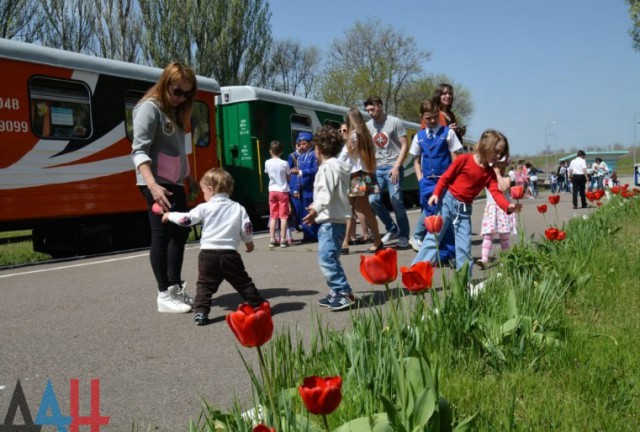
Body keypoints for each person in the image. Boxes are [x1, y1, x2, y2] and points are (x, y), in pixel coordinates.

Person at [131, 61, 199, 313]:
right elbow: (139, 151)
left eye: (187, 93)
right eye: (177, 91)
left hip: (173, 182)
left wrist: (188, 176)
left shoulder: (175, 111)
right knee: (162, 235)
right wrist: (153, 186)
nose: (181, 98)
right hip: (156, 183)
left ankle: (174, 288)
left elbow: (178, 151)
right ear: (165, 83)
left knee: (179, 234)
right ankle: (163, 294)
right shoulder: (149, 109)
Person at [162, 168, 266, 325]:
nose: (203, 195)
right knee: (243, 283)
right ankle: (258, 305)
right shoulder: (237, 207)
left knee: (204, 285)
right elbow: (246, 227)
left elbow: (187, 219)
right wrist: (249, 242)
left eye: (203, 191)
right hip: (230, 255)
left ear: (210, 189)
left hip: (207, 255)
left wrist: (169, 215)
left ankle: (201, 313)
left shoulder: (205, 207)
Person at [412, 130, 521, 277]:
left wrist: (508, 206)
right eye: (496, 151)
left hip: (464, 210)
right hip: (446, 203)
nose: (498, 156)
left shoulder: (489, 173)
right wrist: (436, 193)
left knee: (464, 246)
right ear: (484, 146)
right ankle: (415, 274)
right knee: (433, 239)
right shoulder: (464, 159)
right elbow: (445, 177)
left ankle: (463, 283)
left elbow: (496, 193)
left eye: (500, 153)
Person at [303, 126, 355, 311]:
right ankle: (336, 290)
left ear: (318, 149)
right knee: (331, 257)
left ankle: (343, 292)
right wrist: (317, 207)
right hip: (336, 219)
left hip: (330, 221)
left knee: (327, 258)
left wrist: (315, 209)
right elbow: (329, 194)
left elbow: (325, 194)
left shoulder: (326, 168)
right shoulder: (337, 166)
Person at [409, 99, 462, 262]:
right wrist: (421, 180)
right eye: (428, 118)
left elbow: (455, 159)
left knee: (445, 218)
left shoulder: (448, 133)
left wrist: (453, 181)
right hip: (427, 183)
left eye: (434, 117)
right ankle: (436, 255)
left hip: (444, 182)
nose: (432, 121)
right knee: (431, 219)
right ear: (422, 117)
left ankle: (451, 253)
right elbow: (416, 161)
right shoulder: (419, 137)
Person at [364, 96, 411, 249]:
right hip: (376, 168)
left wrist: (397, 166)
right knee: (372, 200)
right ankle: (392, 229)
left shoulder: (394, 122)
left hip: (393, 166)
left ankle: (404, 235)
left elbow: (405, 145)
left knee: (396, 200)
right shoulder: (368, 126)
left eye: (372, 109)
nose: (370, 113)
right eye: (368, 110)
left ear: (380, 106)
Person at [338, 109, 383, 255]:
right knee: (363, 210)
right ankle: (373, 240)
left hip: (355, 175)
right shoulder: (366, 136)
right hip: (364, 174)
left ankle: (349, 242)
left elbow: (344, 156)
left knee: (351, 209)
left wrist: (345, 139)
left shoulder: (353, 136)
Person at [477, 162, 517, 269]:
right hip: (491, 210)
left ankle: (505, 259)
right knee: (488, 234)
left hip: (503, 210)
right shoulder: (488, 178)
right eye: (496, 167)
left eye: (500, 167)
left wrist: (498, 175)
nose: (499, 169)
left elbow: (504, 188)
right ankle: (484, 259)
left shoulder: (506, 177)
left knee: (504, 236)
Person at [264, 140, 291, 248]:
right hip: (282, 191)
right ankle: (283, 240)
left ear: (270, 151)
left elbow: (268, 174)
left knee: (273, 216)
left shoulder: (267, 162)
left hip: (272, 191)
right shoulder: (284, 163)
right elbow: (288, 177)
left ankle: (272, 239)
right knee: (283, 216)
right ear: (281, 152)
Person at [295, 132, 319, 242]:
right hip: (303, 189)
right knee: (303, 213)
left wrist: (301, 172)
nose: (301, 146)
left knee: (312, 212)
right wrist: (297, 188)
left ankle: (315, 234)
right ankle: (307, 234)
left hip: (312, 188)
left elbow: (315, 170)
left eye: (304, 144)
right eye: (299, 144)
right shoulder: (300, 158)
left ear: (311, 144)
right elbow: (298, 175)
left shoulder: (313, 155)